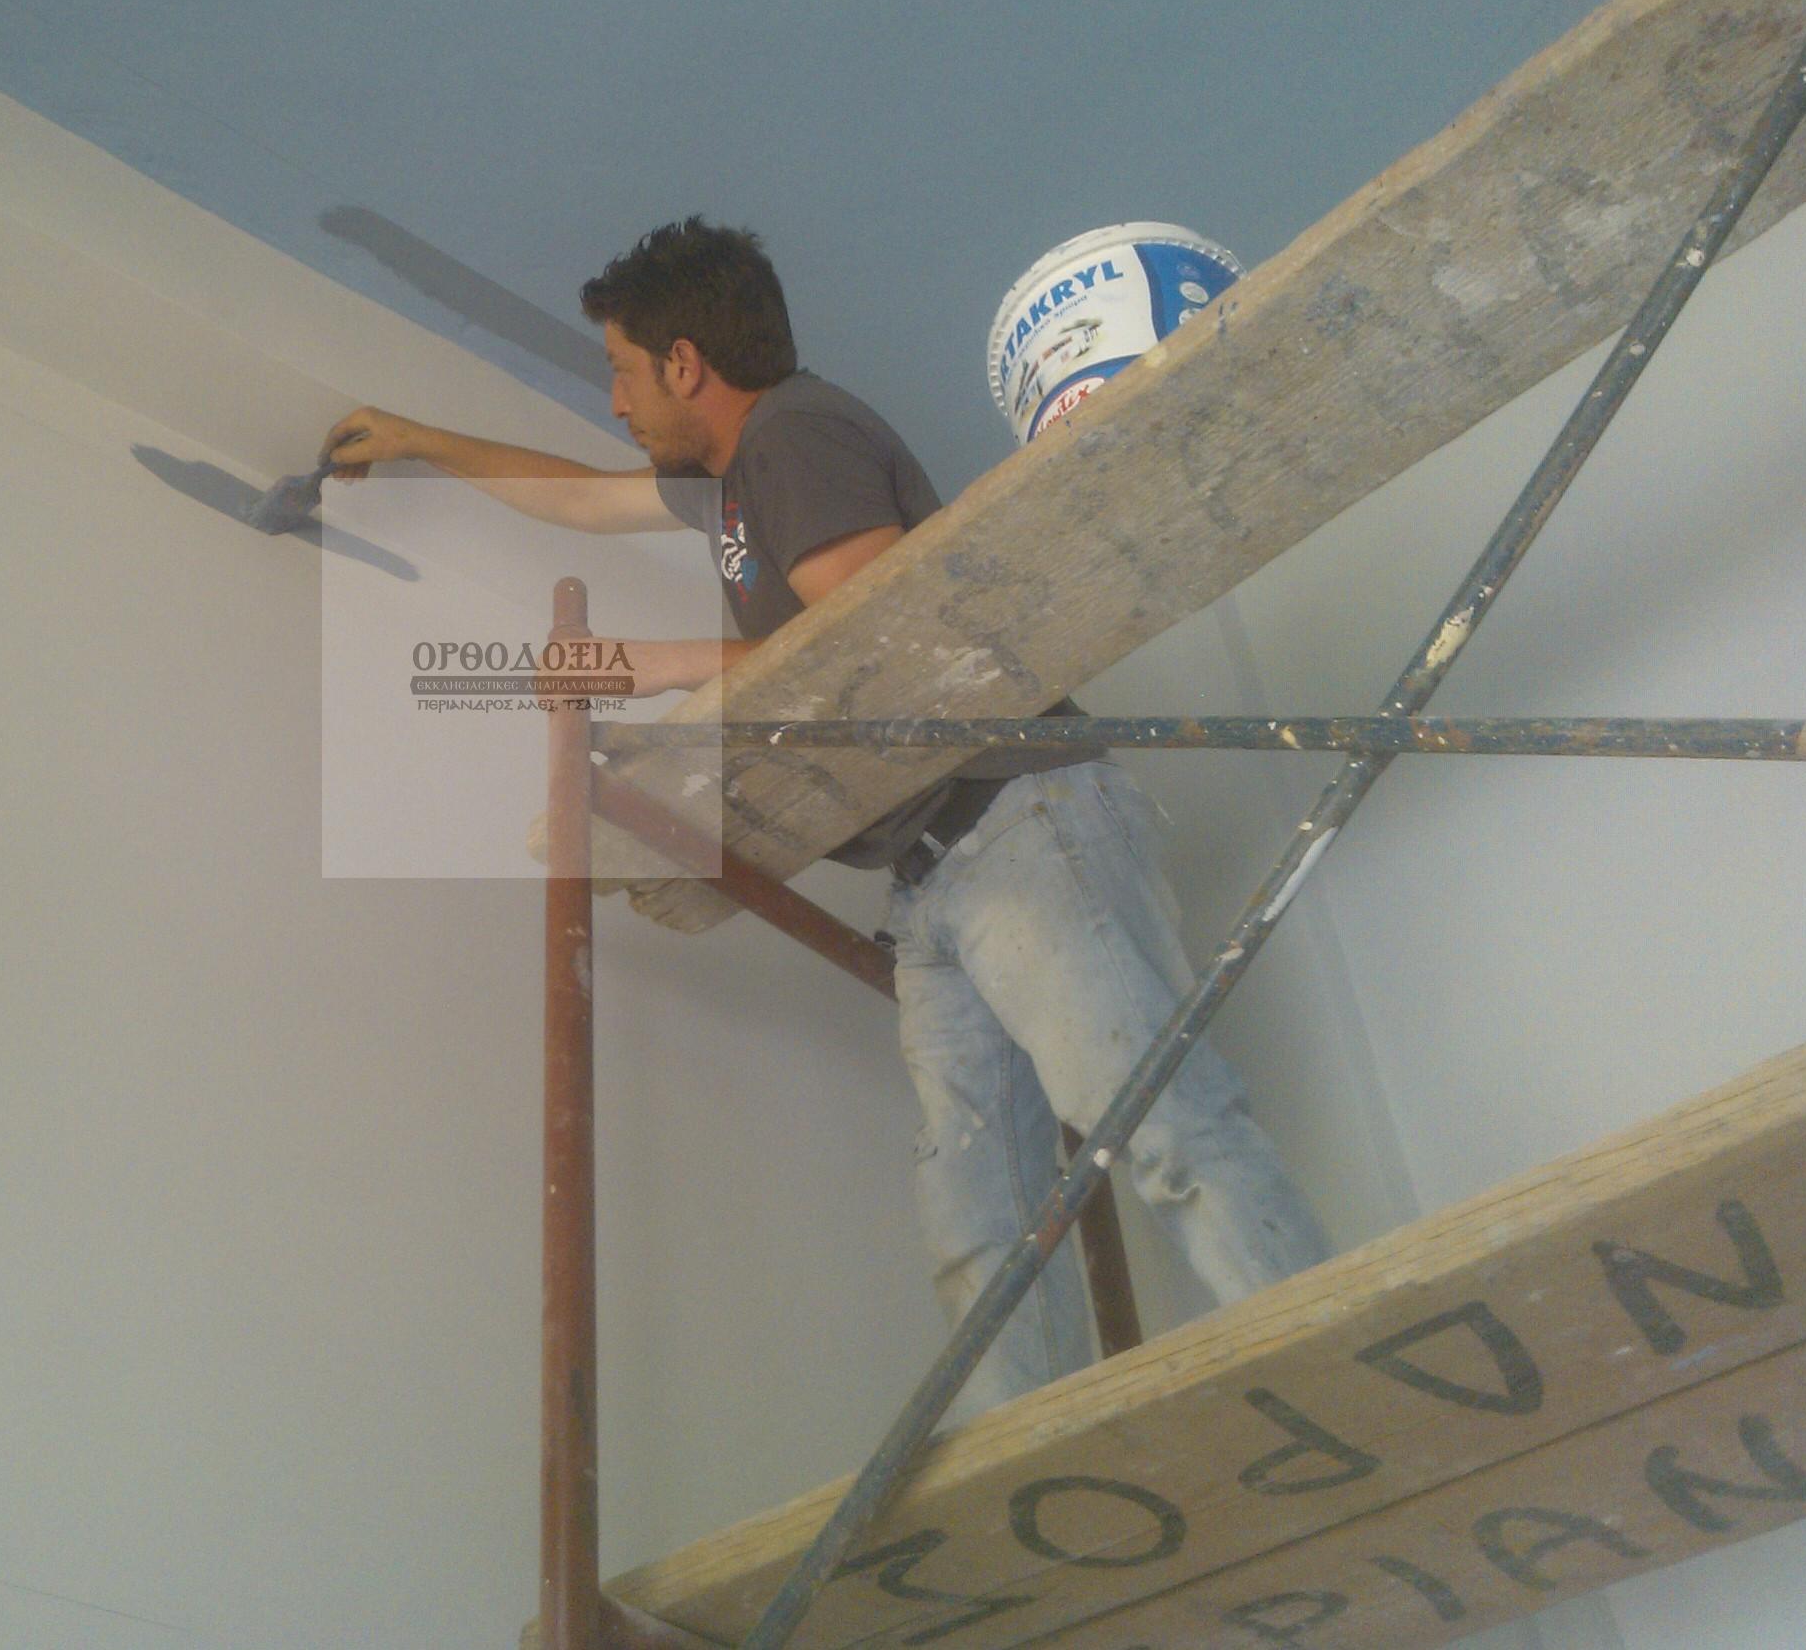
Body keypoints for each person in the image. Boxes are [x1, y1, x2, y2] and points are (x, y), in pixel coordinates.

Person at [327, 217, 1328, 1410]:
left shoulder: (795, 435)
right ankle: (1031, 1465)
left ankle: (1333, 1361)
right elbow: (582, 501)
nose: (615, 401)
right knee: (981, 1224)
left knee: (1156, 1124)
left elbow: (872, 642)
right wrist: (421, 441)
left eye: (624, 371)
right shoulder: (730, 487)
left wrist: (652, 666)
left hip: (1016, 816)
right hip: (933, 877)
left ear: (687, 363)